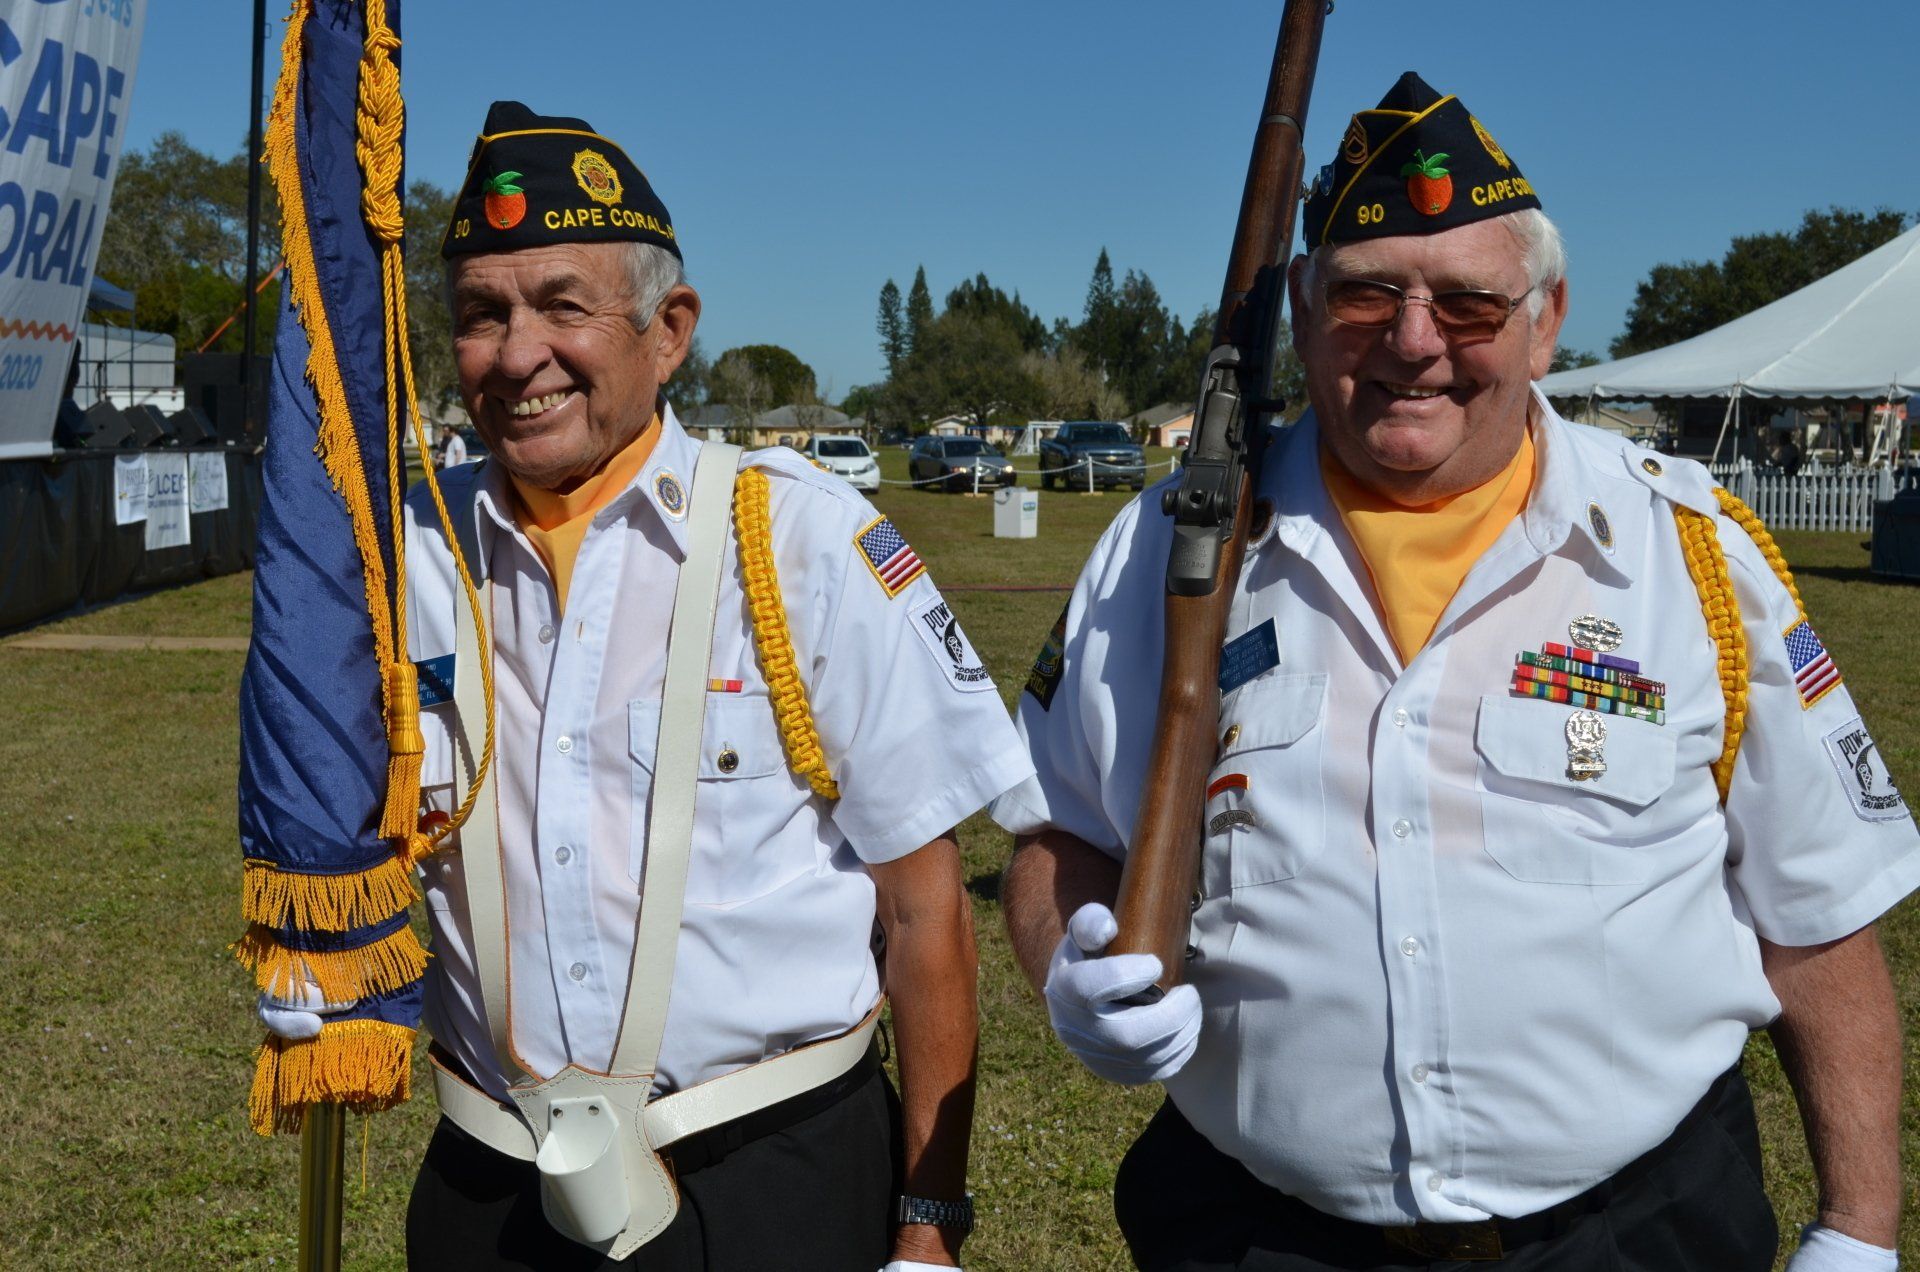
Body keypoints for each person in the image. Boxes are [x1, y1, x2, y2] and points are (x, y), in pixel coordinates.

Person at [995, 72, 1918, 1272]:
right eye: (1367, 293)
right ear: (1303, 309)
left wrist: (1857, 1229)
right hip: (1263, 1236)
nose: (1415, 342)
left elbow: (1820, 914)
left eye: (1470, 304)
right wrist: (1068, 963)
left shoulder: (1688, 554)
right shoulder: (1162, 550)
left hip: (1637, 1236)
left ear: (1547, 318)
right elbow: (1059, 834)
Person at [259, 101, 1030, 1271]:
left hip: (771, 1180)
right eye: (481, 315)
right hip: (492, 1188)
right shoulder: (396, 559)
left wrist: (930, 1230)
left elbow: (928, 912)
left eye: (563, 305)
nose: (518, 354)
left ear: (669, 332)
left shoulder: (798, 542)